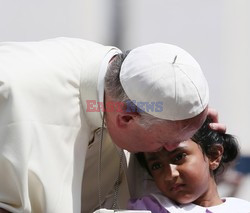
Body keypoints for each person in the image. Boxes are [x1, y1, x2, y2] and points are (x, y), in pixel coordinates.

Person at [0, 37, 224, 213]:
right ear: (125, 118)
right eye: (165, 142)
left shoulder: (127, 89)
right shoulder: (10, 85)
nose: (169, 150)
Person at [128, 117, 250, 212]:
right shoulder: (150, 208)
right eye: (156, 166)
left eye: (179, 157)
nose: (170, 174)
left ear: (213, 155)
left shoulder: (243, 208)